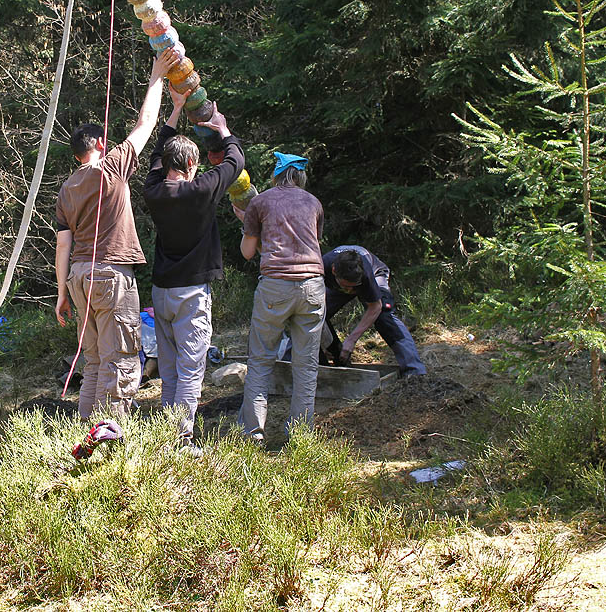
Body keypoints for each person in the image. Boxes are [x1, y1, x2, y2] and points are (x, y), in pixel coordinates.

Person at [55, 48, 179, 422]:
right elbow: (145, 124)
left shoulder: (66, 188)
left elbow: (63, 245)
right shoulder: (110, 167)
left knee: (93, 362)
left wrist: (62, 292)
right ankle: (110, 438)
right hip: (111, 275)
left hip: (78, 277)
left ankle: (86, 432)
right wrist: (157, 74)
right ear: (98, 146)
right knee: (122, 358)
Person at [142, 84, 245, 453]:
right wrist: (223, 129)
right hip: (191, 295)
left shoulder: (153, 190)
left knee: (168, 371)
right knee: (190, 371)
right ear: (191, 165)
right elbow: (235, 163)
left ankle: (167, 435)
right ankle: (182, 440)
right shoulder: (201, 190)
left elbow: (157, 151)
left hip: (161, 292)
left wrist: (175, 109)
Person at [236, 152, 325, 444]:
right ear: (300, 177)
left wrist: (248, 225)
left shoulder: (260, 202)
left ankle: (253, 435)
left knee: (261, 360)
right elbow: (308, 242)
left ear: (276, 175)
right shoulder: (313, 203)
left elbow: (248, 252)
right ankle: (300, 436)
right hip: (313, 285)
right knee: (306, 365)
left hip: (275, 286)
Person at [323, 246, 426, 376]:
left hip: (375, 274)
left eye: (353, 287)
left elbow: (375, 306)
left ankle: (415, 371)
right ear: (333, 271)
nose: (350, 291)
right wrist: (322, 342)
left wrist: (351, 339)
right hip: (338, 284)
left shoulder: (365, 273)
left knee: (384, 316)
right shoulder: (322, 267)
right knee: (318, 313)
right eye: (346, 287)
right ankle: (336, 360)